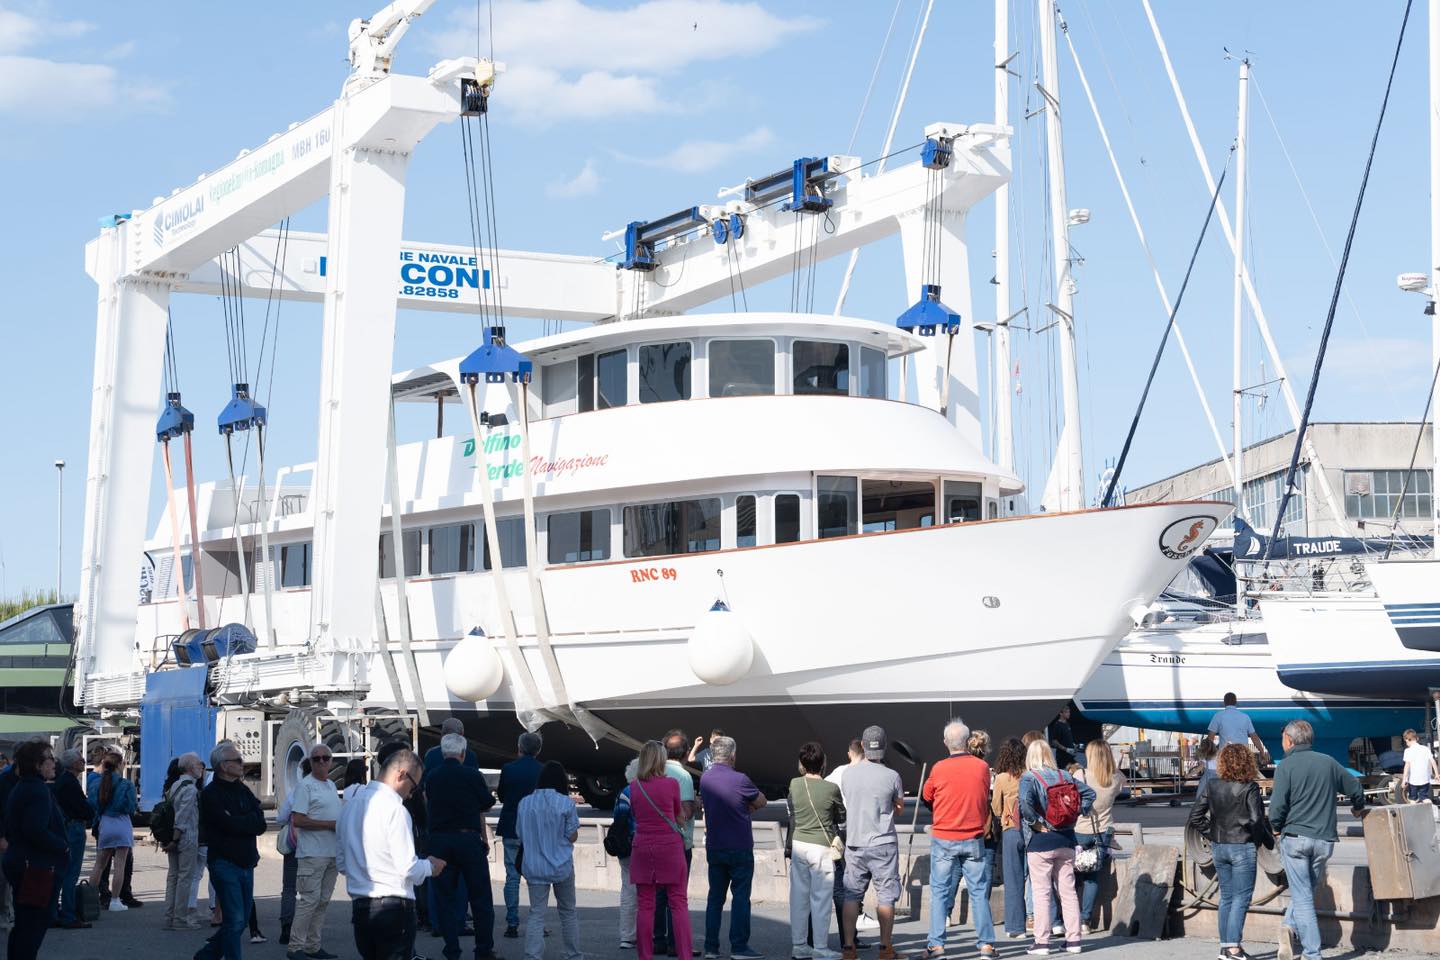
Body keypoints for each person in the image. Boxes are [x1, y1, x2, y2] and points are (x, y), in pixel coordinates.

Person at [337, 746, 446, 960]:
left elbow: (342, 864)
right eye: (413, 786)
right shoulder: (395, 810)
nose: (412, 793)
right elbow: (409, 869)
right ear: (401, 775)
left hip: (360, 908)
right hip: (393, 909)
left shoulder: (348, 807)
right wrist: (431, 866)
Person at [1268, 720, 1365, 960]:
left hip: (1296, 839)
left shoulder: (1286, 766)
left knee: (1301, 897)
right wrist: (1357, 807)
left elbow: (1277, 807)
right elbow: (1355, 787)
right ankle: (1288, 926)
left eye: (1283, 739)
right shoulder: (1328, 762)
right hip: (1324, 841)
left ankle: (1312, 954)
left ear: (1289, 740)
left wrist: (1276, 828)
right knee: (1306, 890)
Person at [1189, 744, 1273, 960]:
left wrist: (1213, 834)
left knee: (1226, 897)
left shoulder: (1212, 785)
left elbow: (1196, 817)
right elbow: (1256, 820)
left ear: (1223, 762)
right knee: (1242, 897)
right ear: (1247, 762)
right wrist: (1255, 840)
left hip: (1219, 846)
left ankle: (1226, 947)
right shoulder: (1249, 787)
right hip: (1242, 846)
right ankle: (1233, 949)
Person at [920, 719, 995, 959]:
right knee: (979, 892)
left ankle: (937, 945)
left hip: (944, 837)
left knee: (940, 892)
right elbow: (984, 797)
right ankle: (986, 945)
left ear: (946, 743)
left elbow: (926, 795)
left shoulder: (938, 768)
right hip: (973, 836)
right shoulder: (981, 767)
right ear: (967, 742)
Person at [426, 732, 499, 960]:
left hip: (439, 841)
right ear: (463, 753)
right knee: (480, 898)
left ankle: (452, 950)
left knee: (445, 898)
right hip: (468, 839)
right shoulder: (471, 775)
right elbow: (487, 803)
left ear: (443, 752)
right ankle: (483, 949)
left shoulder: (432, 777)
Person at [1019, 740, 1094, 955]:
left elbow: (1024, 802)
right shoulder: (1066, 775)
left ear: (1030, 756)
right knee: (1068, 891)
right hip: (1067, 838)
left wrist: (1035, 823)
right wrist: (1078, 813)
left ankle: (1042, 943)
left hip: (1041, 841)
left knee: (1042, 893)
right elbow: (1089, 794)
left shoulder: (1029, 777)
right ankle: (1074, 941)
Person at [196, 740, 268, 960]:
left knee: (241, 920)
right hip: (224, 863)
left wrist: (239, 821)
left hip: (247, 862)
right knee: (235, 920)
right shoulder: (210, 794)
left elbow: (261, 824)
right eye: (237, 760)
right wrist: (244, 822)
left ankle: (207, 956)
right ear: (223, 766)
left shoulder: (244, 790)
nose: (241, 763)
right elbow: (226, 824)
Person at [839, 725, 904, 960]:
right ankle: (885, 949)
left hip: (855, 842)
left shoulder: (848, 774)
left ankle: (848, 948)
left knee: (851, 896)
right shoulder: (892, 776)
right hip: (883, 842)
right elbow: (898, 808)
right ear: (884, 747)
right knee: (886, 895)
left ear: (863, 747)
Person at [699, 735, 766, 960]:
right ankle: (739, 947)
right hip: (739, 846)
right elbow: (762, 801)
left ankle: (710, 947)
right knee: (740, 898)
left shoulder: (706, 779)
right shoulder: (741, 779)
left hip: (715, 846)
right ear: (733, 755)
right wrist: (745, 809)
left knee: (715, 898)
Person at [2, 741, 66, 960]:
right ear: (38, 765)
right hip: (35, 867)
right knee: (32, 926)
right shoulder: (36, 790)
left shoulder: (24, 786)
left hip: (24, 862)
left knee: (24, 925)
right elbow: (35, 830)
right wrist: (62, 846)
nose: (54, 762)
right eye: (50, 758)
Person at [516, 761, 583, 960]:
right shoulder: (566, 803)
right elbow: (572, 835)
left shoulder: (524, 803)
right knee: (568, 912)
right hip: (561, 865)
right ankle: (574, 955)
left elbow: (519, 833)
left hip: (534, 866)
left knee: (536, 913)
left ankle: (532, 956)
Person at [630, 743, 691, 960]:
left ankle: (645, 956)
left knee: (645, 904)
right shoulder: (672, 784)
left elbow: (636, 814)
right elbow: (679, 816)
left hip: (643, 847)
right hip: (669, 847)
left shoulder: (635, 786)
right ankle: (685, 955)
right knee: (678, 902)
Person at [787, 741, 843, 960]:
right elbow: (841, 815)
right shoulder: (830, 788)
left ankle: (799, 945)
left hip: (799, 844)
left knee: (799, 898)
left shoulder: (794, 784)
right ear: (823, 763)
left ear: (802, 763)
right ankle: (820, 946)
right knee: (821, 898)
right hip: (821, 846)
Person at [290, 744, 342, 960]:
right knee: (308, 902)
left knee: (322, 902)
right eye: (316, 758)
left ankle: (313, 945)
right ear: (309, 762)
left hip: (330, 853)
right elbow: (298, 819)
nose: (321, 762)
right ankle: (295, 947)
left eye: (325, 758)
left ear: (331, 761)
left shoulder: (330, 784)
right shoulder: (305, 786)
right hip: (312, 854)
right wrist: (331, 825)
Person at [1072, 741, 1124, 934]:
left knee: (1072, 875)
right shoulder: (1116, 777)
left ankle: (1070, 917)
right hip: (1103, 832)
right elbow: (1120, 786)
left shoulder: (1081, 775)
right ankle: (1085, 921)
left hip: (1079, 830)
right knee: (1092, 877)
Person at [654, 730, 698, 956]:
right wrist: (697, 803)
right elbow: (686, 811)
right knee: (676, 895)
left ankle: (658, 940)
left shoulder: (654, 771)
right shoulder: (683, 776)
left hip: (655, 841)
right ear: (686, 752)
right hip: (679, 842)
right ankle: (675, 943)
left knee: (658, 894)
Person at [498, 731, 544, 939]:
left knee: (512, 876)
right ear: (539, 749)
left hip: (511, 826)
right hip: (534, 829)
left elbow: (502, 794)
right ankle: (538, 923)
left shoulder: (508, 769)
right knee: (536, 878)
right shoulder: (542, 771)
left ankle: (512, 923)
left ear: (519, 747)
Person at [90, 745, 141, 909]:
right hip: (122, 823)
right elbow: (131, 806)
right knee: (120, 865)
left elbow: (92, 804)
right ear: (120, 765)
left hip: (105, 823)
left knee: (99, 865)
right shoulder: (126, 784)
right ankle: (115, 901)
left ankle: (90, 901)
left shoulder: (97, 783)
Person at [824, 740, 867, 934]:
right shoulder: (871, 772)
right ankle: (856, 920)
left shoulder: (839, 772)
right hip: (862, 831)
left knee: (845, 881)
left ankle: (850, 932)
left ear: (849, 753)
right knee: (857, 880)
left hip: (843, 831)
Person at [51, 747, 95, 929]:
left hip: (65, 827)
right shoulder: (70, 782)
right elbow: (82, 808)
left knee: (61, 872)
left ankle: (53, 912)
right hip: (73, 828)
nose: (84, 761)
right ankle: (69, 915)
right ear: (73, 763)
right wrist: (90, 810)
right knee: (71, 873)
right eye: (81, 759)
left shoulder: (63, 781)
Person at [991, 737, 1028, 940]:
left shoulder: (1002, 778)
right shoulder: (1029, 774)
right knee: (1036, 879)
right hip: (1032, 829)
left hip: (1011, 828)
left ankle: (1016, 926)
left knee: (1013, 879)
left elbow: (996, 807)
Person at [163, 752, 204, 931]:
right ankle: (180, 919)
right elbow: (183, 816)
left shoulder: (175, 785)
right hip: (185, 837)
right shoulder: (191, 789)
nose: (201, 767)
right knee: (185, 878)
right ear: (189, 767)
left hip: (173, 835)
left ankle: (169, 917)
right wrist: (175, 838)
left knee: (173, 877)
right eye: (197, 764)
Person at [277, 758, 311, 945]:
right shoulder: (326, 789)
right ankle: (307, 930)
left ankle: (286, 927)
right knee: (311, 891)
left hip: (294, 845)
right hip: (316, 848)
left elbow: (281, 817)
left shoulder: (296, 792)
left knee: (289, 888)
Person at [615, 759, 640, 950]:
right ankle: (647, 933)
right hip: (645, 846)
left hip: (626, 848)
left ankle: (627, 935)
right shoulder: (647, 791)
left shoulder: (624, 793)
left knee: (628, 891)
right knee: (649, 893)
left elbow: (619, 819)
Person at [1208, 693, 1269, 759]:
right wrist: (1261, 751)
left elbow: (1210, 737)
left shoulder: (1218, 716)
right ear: (1236, 702)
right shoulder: (1245, 717)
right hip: (1242, 755)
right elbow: (1254, 737)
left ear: (1224, 702)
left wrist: (1209, 754)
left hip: (1226, 756)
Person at [1400, 728, 1438, 803]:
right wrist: (1437, 774)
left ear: (1408, 739)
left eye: (1406, 741)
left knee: (1412, 799)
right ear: (1416, 738)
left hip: (1413, 780)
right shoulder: (1425, 749)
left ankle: (1413, 811)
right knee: (1425, 798)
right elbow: (1433, 762)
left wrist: (1404, 779)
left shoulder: (1408, 751)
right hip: (1425, 779)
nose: (1406, 743)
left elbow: (1407, 766)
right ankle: (1428, 808)